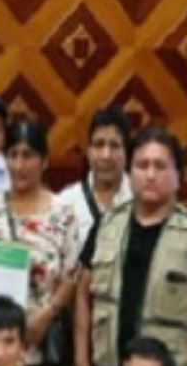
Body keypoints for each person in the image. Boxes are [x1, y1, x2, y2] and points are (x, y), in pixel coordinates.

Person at [74, 126, 187, 366]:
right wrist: (81, 363)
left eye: (160, 166)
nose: (150, 174)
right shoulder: (107, 225)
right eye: (142, 165)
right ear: (129, 173)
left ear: (178, 175)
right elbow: (83, 294)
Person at [0, 117, 81, 366]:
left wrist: (46, 316)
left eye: (28, 155)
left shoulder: (63, 214)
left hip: (33, 348)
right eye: (12, 155)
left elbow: (71, 276)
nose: (19, 165)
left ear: (44, 161)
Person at [54, 105, 132, 254]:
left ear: (126, 152)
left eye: (114, 146)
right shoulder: (65, 203)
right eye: (99, 144)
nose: (106, 155)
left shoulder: (141, 201)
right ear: (89, 152)